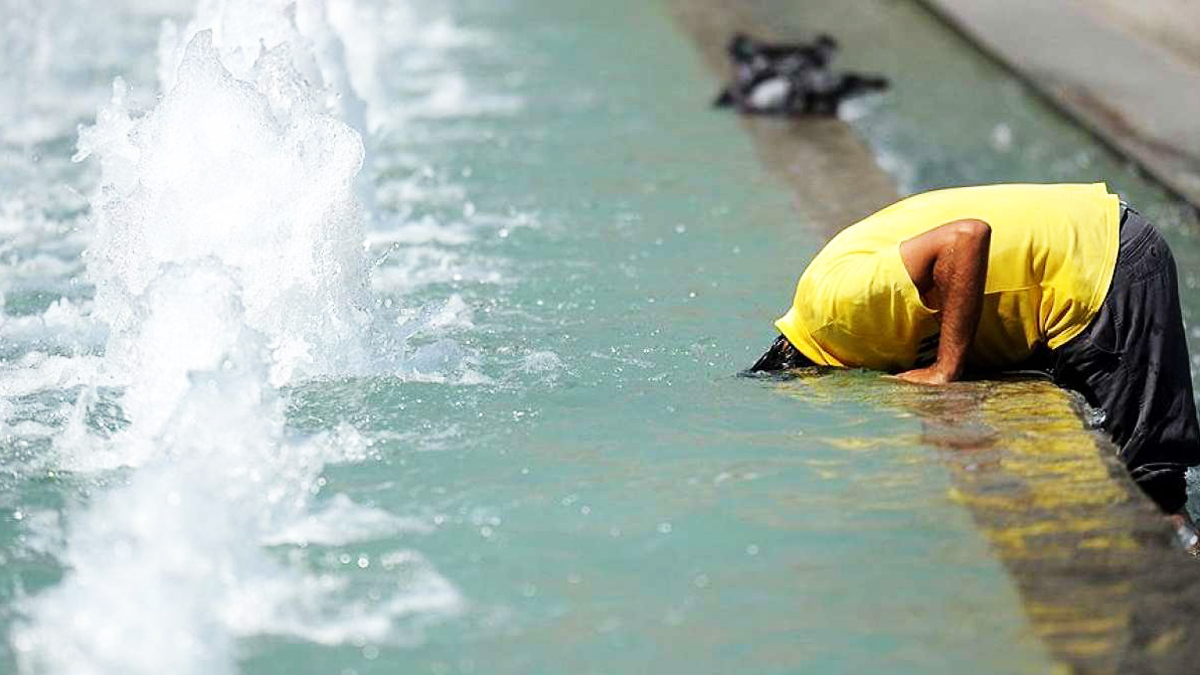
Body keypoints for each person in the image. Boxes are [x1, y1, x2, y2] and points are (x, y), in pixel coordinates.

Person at [752, 183, 1200, 551]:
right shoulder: (830, 312)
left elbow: (966, 237)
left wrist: (945, 368)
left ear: (806, 374)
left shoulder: (836, 311)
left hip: (1101, 265)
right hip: (1084, 252)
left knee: (1151, 495)